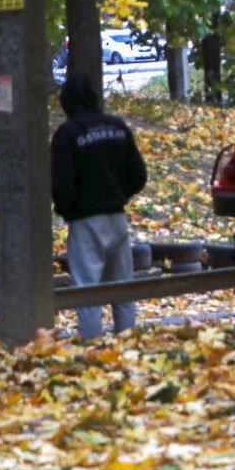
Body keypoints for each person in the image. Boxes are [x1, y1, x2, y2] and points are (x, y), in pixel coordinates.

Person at [51, 73, 147, 340]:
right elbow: (138, 175)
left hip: (84, 220)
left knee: (87, 291)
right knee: (123, 287)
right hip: (116, 216)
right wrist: (120, 195)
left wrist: (67, 209)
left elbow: (62, 182)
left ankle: (92, 349)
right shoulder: (117, 127)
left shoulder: (67, 134)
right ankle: (127, 342)